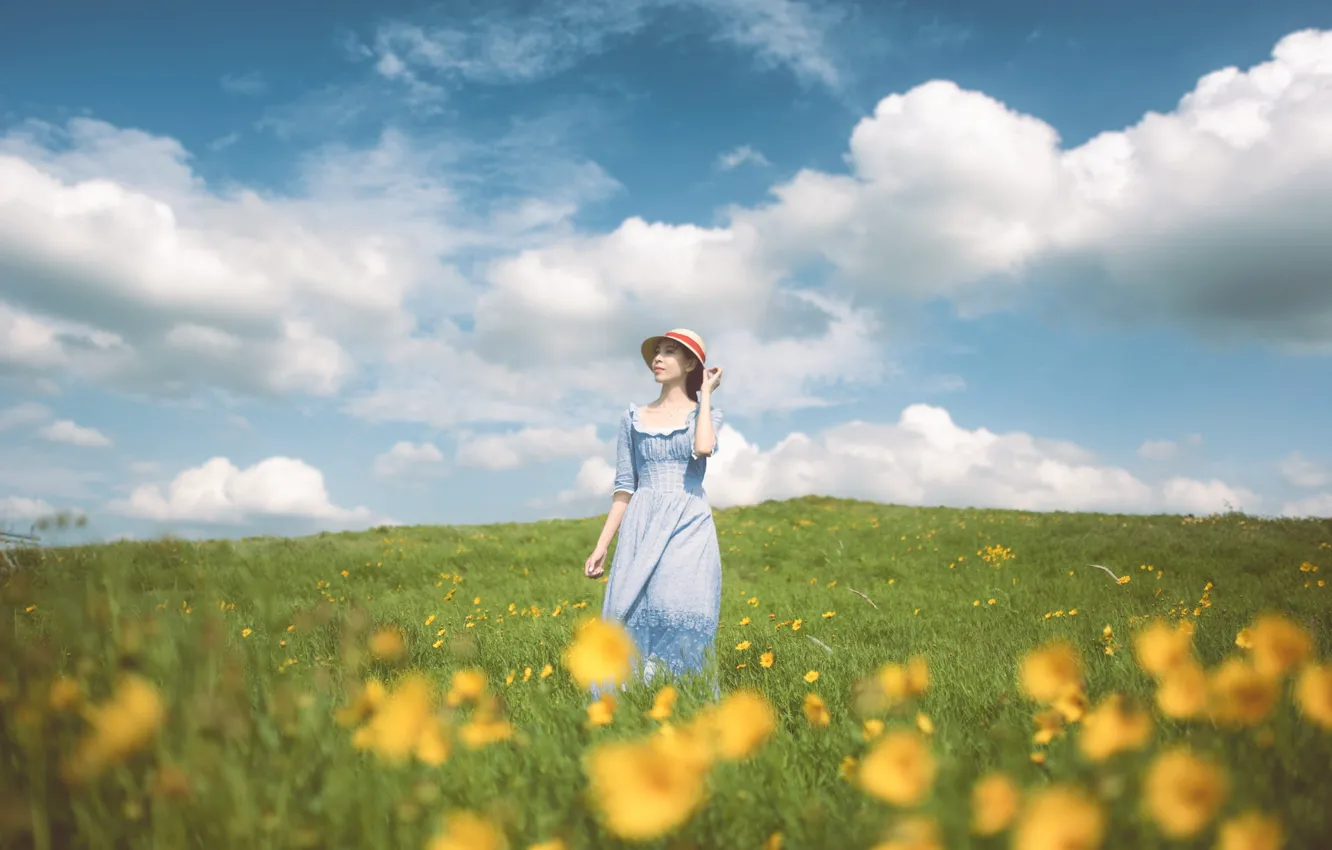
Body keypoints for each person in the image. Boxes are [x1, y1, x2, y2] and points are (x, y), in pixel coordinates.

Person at [584, 328, 725, 694]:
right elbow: (624, 486)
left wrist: (705, 395)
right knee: (629, 612)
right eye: (656, 352)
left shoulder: (706, 414)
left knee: (681, 609)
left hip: (689, 524)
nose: (657, 359)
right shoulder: (633, 417)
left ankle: (684, 700)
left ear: (690, 363)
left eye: (669, 352)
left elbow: (705, 448)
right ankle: (630, 706)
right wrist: (602, 546)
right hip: (642, 522)